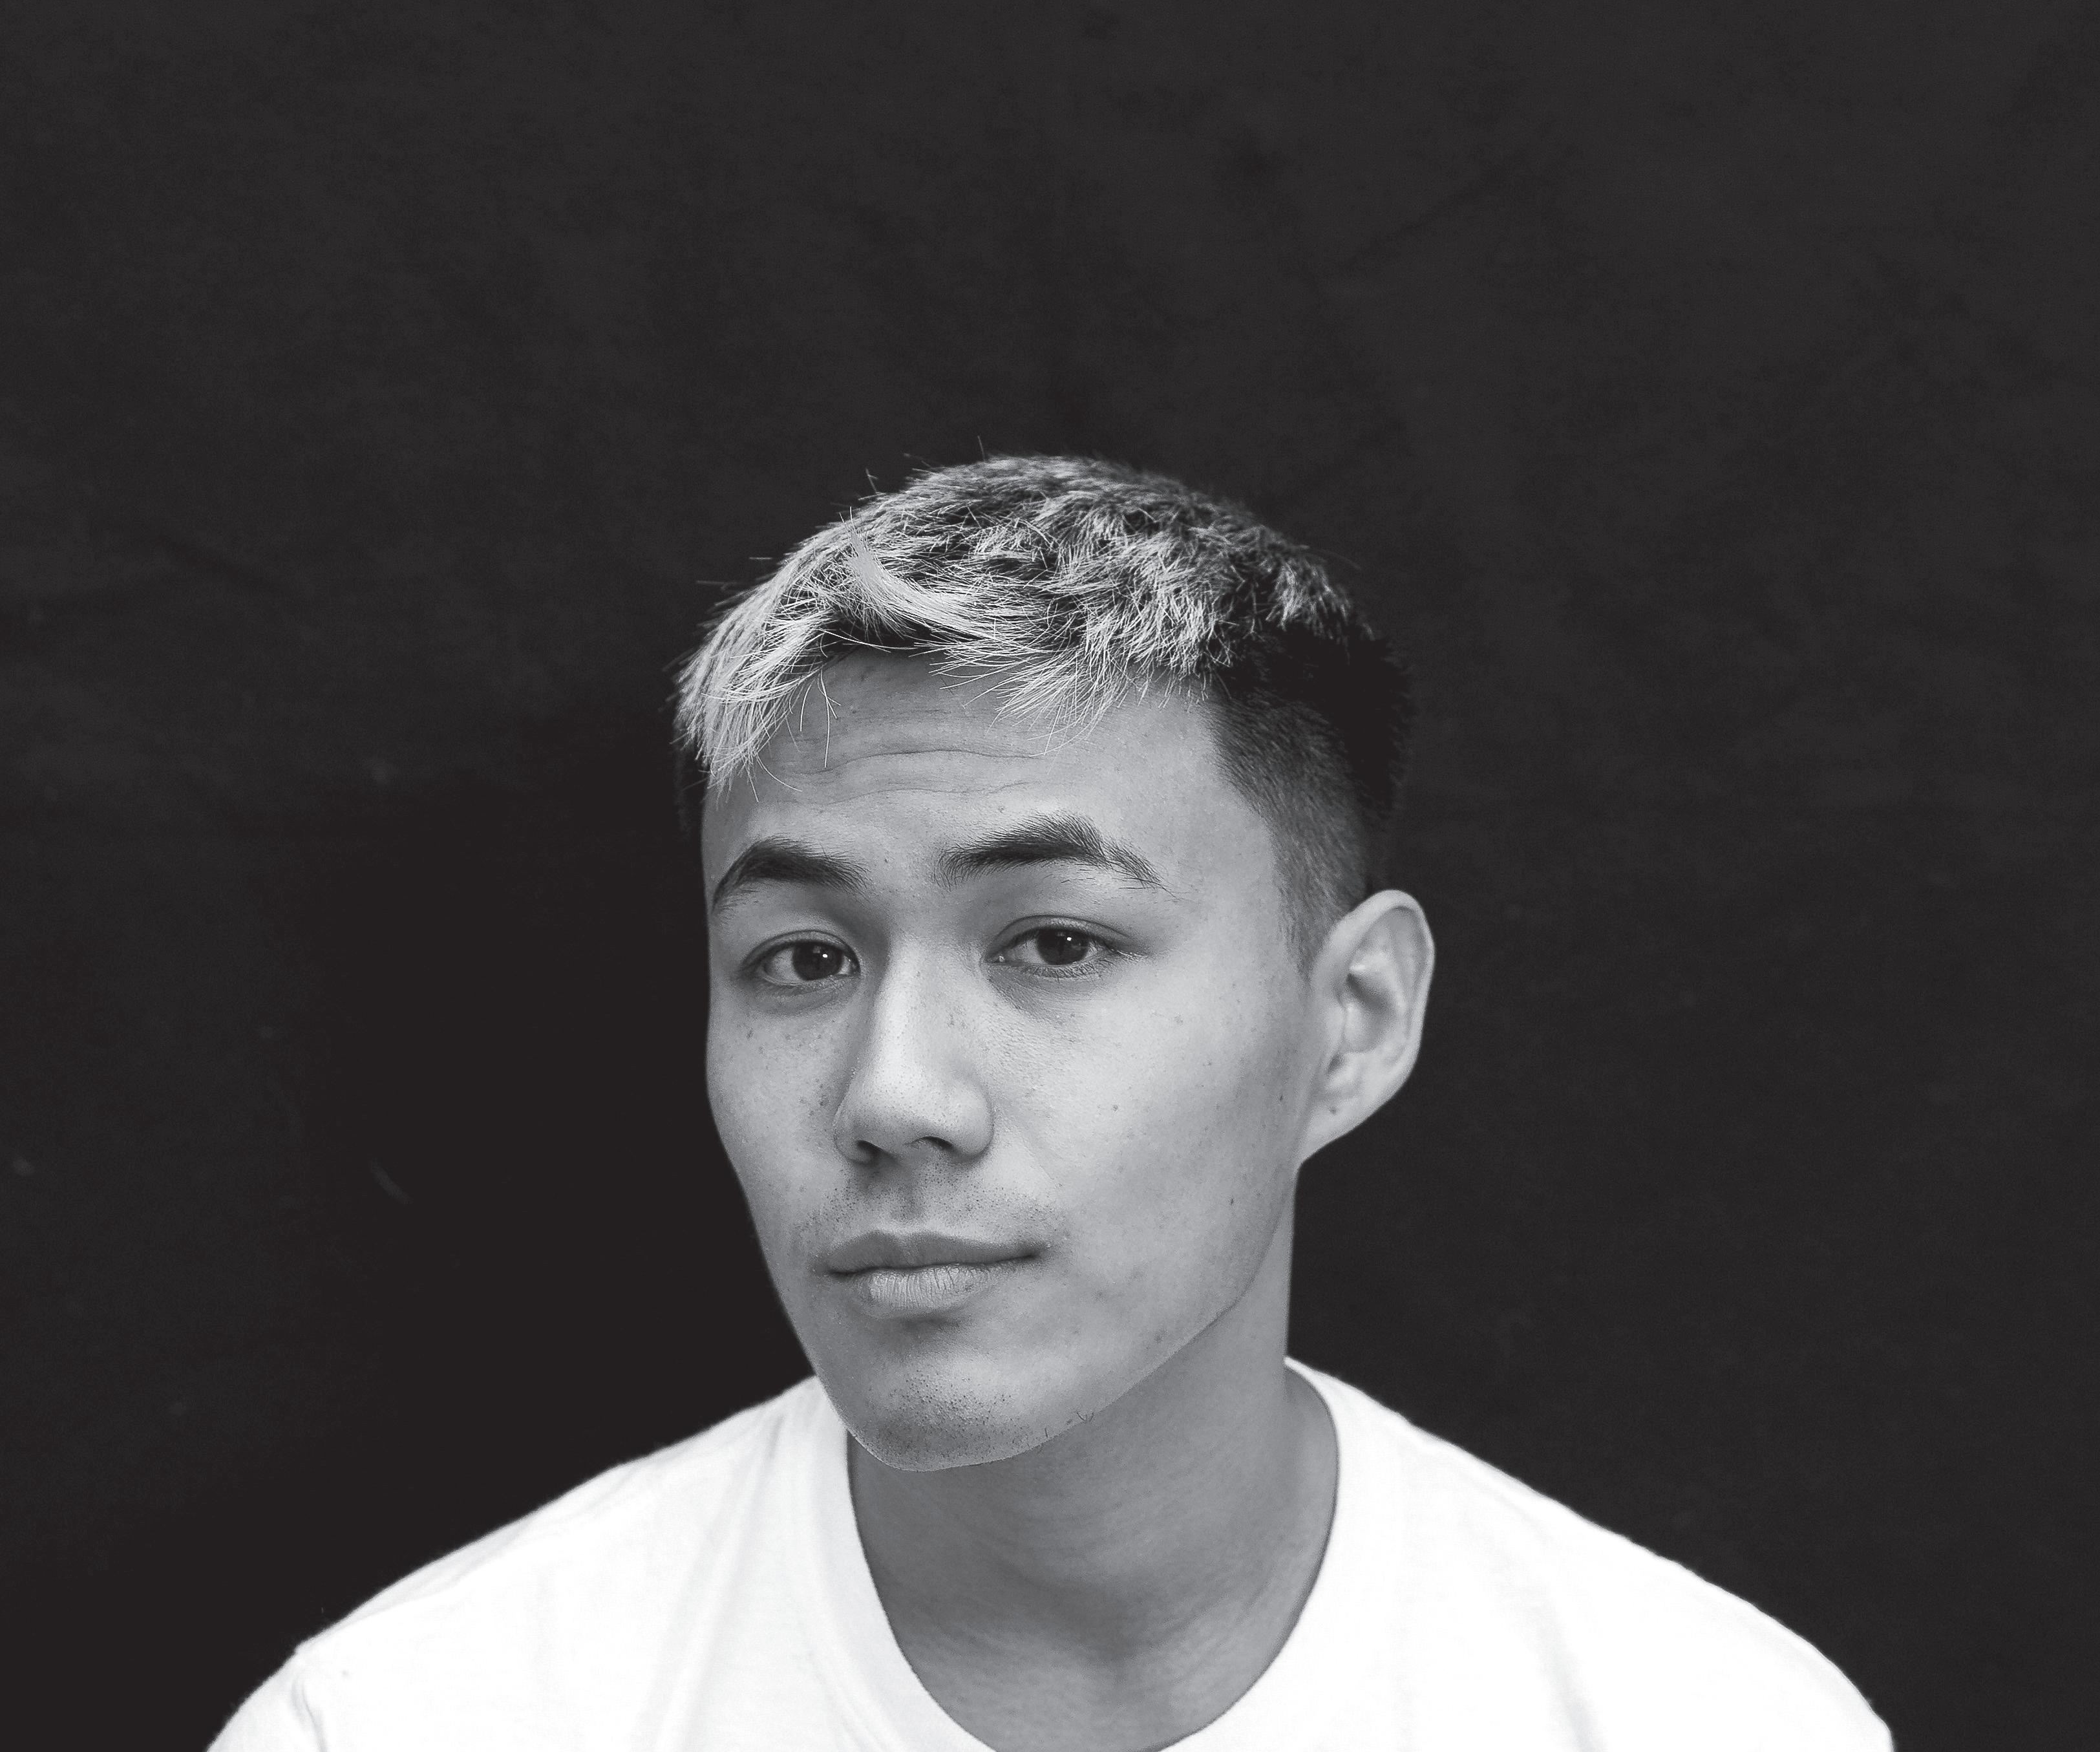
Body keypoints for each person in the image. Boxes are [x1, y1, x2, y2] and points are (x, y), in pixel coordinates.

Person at [213, 456, 1889, 1751]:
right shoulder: (416, 1722)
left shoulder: (1697, 1722)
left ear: (1352, 1021)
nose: (895, 1096)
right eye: (801, 959)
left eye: (1054, 943)